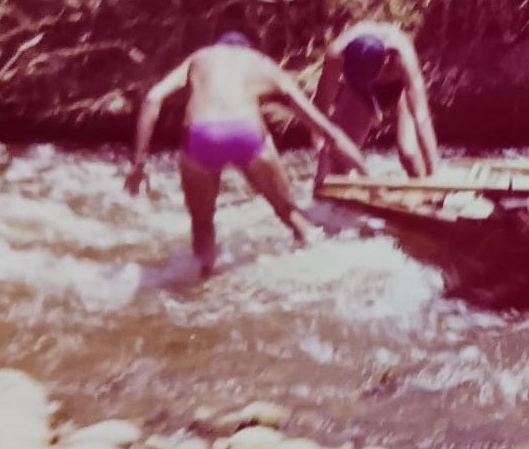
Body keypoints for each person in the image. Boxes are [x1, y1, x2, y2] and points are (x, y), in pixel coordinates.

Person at [124, 32, 370, 275]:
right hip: (247, 132)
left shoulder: (201, 57)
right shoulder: (262, 64)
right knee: (291, 214)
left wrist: (139, 164)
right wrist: (364, 173)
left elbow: (152, 98)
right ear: (247, 50)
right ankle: (325, 267)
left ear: (219, 47)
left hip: (200, 136)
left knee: (202, 226)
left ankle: (205, 279)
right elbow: (326, 130)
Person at [311, 20, 440, 188]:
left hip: (399, 89)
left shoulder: (401, 54)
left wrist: (434, 176)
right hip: (359, 92)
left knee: (408, 153)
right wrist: (322, 157)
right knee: (337, 165)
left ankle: (426, 196)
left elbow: (421, 116)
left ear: (386, 59)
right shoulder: (336, 55)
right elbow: (319, 111)